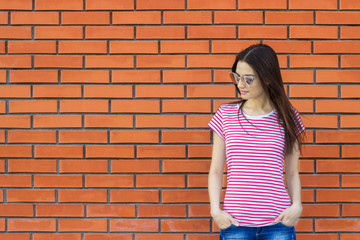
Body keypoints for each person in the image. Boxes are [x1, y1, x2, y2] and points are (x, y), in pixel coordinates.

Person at [208, 44, 305, 240]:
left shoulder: (288, 118)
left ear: (268, 79)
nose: (240, 84)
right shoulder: (225, 115)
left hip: (278, 224)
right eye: (236, 77)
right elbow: (216, 170)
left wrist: (297, 205)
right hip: (235, 224)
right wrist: (215, 211)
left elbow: (293, 172)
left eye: (248, 79)